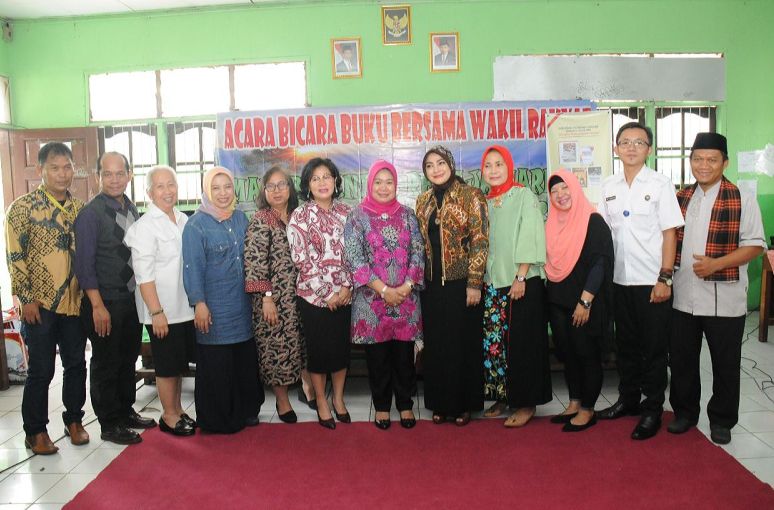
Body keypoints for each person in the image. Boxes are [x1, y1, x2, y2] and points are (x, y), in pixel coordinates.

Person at [667, 133, 766, 445]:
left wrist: (717, 264)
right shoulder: (680, 197)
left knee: (725, 364)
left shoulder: (742, 198)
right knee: (682, 360)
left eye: (712, 160)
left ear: (725, 163)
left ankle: (722, 420)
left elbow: (755, 246)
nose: (704, 165)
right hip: (683, 296)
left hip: (725, 299)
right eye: (698, 159)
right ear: (690, 162)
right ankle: (685, 413)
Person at [596, 122, 685, 440]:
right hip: (619, 281)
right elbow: (603, 235)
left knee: (654, 349)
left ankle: (652, 410)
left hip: (652, 281)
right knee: (626, 347)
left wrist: (665, 277)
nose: (631, 147)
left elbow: (670, 234)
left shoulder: (661, 184)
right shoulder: (608, 186)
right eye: (625, 142)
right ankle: (628, 399)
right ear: (615, 148)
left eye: (639, 142)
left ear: (649, 149)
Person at [5, 142, 88, 455]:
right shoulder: (22, 209)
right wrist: (25, 298)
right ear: (41, 170)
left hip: (74, 302)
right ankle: (36, 431)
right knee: (41, 369)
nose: (62, 174)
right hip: (39, 305)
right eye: (55, 168)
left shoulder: (80, 209)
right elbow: (15, 257)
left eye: (67, 167)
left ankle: (74, 420)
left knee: (76, 364)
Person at [74, 152, 157, 445]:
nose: (114, 179)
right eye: (107, 174)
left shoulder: (131, 207)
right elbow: (84, 266)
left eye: (120, 173)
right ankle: (109, 423)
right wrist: (97, 306)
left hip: (130, 299)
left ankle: (125, 411)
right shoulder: (90, 214)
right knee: (106, 363)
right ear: (98, 176)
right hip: (104, 302)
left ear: (129, 175)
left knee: (127, 358)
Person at [182, 166, 264, 433]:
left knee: (242, 362)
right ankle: (219, 420)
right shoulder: (196, 225)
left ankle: (246, 412)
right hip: (213, 307)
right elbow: (192, 267)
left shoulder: (240, 218)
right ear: (206, 191)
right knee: (217, 364)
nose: (222, 193)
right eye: (215, 188)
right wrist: (199, 303)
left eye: (227, 187)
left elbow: (254, 259)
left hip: (242, 305)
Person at [344, 160, 424, 430]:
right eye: (378, 182)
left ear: (396, 185)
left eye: (389, 182)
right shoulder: (357, 217)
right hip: (372, 301)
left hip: (405, 298)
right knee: (377, 358)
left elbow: (418, 252)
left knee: (404, 356)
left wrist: (407, 286)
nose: (384, 187)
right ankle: (381, 406)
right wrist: (384, 290)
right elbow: (355, 258)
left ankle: (405, 404)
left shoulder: (408, 215)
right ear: (370, 184)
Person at [415, 146, 488, 426]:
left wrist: (474, 282)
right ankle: (439, 403)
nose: (436, 169)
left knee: (462, 344)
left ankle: (463, 404)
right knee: (437, 345)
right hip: (432, 285)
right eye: (429, 165)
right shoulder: (423, 201)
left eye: (440, 163)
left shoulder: (471, 196)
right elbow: (420, 244)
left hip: (462, 284)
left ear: (451, 165)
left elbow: (480, 240)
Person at [480, 145, 552, 427]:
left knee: (523, 345)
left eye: (499, 164)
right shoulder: (485, 202)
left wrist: (521, 276)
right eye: (488, 165)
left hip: (520, 282)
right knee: (496, 345)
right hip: (493, 284)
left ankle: (526, 403)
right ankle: (503, 396)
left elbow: (530, 234)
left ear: (509, 166)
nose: (494, 170)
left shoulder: (523, 195)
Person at [124, 165, 196, 437]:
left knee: (178, 364)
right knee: (166, 366)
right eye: (160, 186)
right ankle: (168, 415)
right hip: (162, 310)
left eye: (171, 185)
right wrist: (156, 312)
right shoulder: (144, 227)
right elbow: (144, 276)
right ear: (149, 192)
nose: (167, 191)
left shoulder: (183, 219)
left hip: (183, 307)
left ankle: (177, 409)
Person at [545, 169, 614, 432]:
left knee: (586, 353)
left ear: (575, 188)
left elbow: (600, 264)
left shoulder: (593, 221)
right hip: (558, 299)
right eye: (554, 191)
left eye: (565, 188)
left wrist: (585, 301)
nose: (560, 195)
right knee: (568, 354)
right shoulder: (552, 223)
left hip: (584, 301)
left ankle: (587, 409)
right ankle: (574, 403)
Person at [288, 158, 353, 430]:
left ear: (335, 181)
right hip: (313, 298)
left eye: (327, 176)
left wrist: (346, 287)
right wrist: (327, 293)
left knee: (340, 351)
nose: (322, 182)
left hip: (345, 295)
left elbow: (355, 252)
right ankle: (321, 403)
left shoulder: (348, 212)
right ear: (308, 185)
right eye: (315, 178)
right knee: (318, 353)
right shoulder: (300, 216)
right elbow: (301, 259)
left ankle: (338, 399)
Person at [244, 166, 311, 424]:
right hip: (273, 300)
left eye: (282, 184)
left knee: (300, 347)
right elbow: (255, 262)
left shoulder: (297, 216)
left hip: (300, 296)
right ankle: (282, 401)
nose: (277, 190)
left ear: (290, 188)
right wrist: (267, 298)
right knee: (275, 349)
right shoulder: (261, 220)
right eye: (270, 186)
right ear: (263, 191)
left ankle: (307, 389)